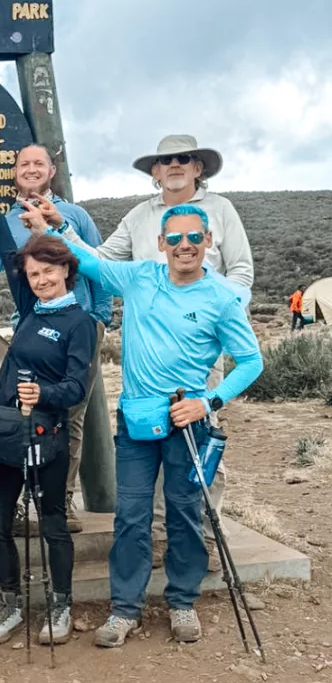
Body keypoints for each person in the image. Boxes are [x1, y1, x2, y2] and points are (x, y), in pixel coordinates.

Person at [25, 199, 263, 646]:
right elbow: (86, 261)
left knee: (185, 515)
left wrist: (208, 401)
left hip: (186, 422)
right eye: (174, 238)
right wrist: (49, 229)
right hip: (136, 421)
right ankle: (124, 611)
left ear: (208, 242)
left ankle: (182, 602)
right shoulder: (138, 277)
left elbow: (251, 362)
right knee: (131, 518)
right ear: (161, 243)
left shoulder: (223, 298)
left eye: (194, 237)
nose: (184, 245)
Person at [59, 134, 254, 569]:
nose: (175, 165)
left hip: (199, 349)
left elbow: (241, 268)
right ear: (154, 171)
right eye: (166, 160)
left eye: (184, 158)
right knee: (149, 441)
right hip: (146, 358)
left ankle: (202, 536)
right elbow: (102, 259)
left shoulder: (221, 210)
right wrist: (58, 231)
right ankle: (161, 538)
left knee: (198, 445)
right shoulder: (138, 217)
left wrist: (218, 309)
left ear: (198, 167)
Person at [0, 180, 96, 646]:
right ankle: (12, 605)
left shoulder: (79, 322)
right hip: (5, 436)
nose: (40, 280)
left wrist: (40, 392)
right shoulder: (29, 311)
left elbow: (76, 388)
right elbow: (8, 261)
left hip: (47, 436)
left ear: (66, 271)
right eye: (34, 274)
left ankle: (60, 606)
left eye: (48, 271)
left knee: (53, 523)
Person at [0, 146, 112, 533]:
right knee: (20, 412)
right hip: (32, 326)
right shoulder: (10, 219)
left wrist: (99, 317)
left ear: (52, 170)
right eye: (23, 164)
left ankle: (59, 498)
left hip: (80, 327)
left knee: (71, 415)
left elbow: (99, 265)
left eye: (38, 164)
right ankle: (16, 501)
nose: (31, 169)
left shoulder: (74, 215)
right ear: (15, 172)